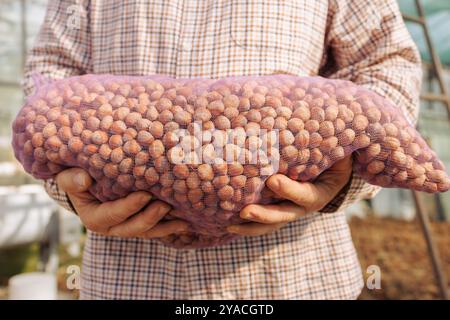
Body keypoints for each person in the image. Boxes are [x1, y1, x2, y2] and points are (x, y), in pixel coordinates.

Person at [23, 0, 421, 299]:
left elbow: (388, 63)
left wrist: (344, 177)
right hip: (129, 278)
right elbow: (50, 75)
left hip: (292, 276)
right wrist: (70, 188)